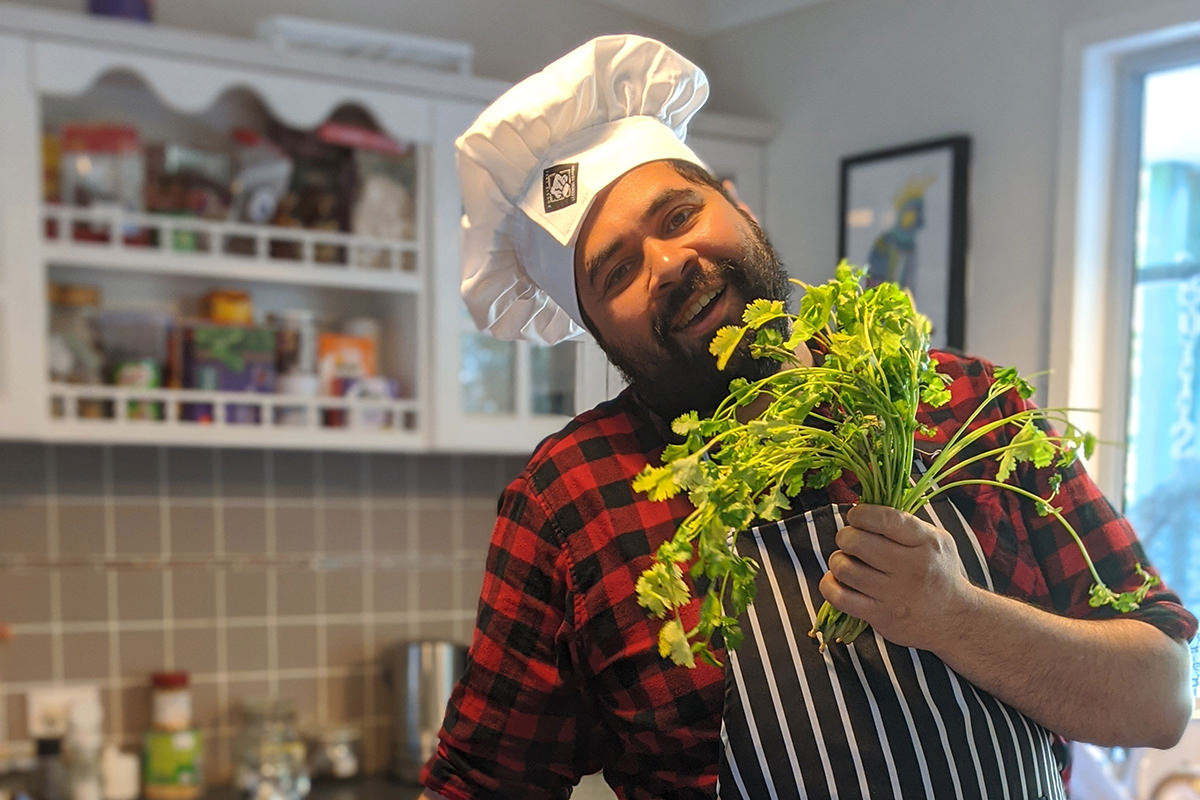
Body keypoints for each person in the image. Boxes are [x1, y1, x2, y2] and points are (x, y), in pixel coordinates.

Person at [419, 35, 1195, 800]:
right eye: (616, 270)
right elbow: (481, 784)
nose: (668, 263)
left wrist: (954, 616)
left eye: (680, 214)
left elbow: (1159, 699)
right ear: (595, 329)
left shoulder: (966, 407)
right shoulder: (571, 500)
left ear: (741, 208)